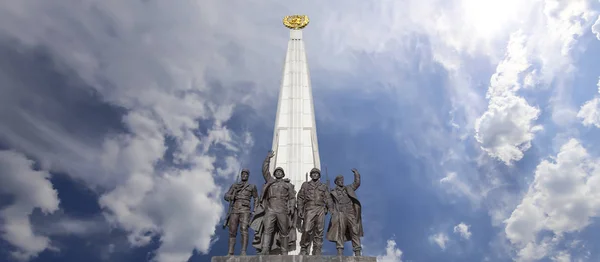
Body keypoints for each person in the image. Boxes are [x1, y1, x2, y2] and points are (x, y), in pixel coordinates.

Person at [250, 150, 297, 255]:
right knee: (267, 229)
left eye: (280, 172)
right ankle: (265, 249)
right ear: (275, 174)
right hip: (270, 208)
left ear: (283, 174)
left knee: (284, 231)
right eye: (277, 172)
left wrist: (291, 207)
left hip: (282, 208)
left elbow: (292, 197)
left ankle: (284, 251)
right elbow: (265, 170)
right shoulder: (270, 181)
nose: (278, 173)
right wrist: (267, 159)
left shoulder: (288, 185)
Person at [326, 168, 364, 256]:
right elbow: (329, 202)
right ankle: (340, 251)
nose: (341, 181)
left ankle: (357, 251)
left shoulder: (349, 188)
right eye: (339, 180)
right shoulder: (333, 192)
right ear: (336, 182)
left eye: (342, 180)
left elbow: (357, 183)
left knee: (354, 231)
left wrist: (356, 174)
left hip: (350, 212)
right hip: (340, 213)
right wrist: (331, 210)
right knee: (340, 232)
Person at [223, 168, 258, 255]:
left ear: (248, 176)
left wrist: (254, 210)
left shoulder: (252, 186)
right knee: (232, 231)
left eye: (246, 174)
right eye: (243, 174)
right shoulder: (235, 185)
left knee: (244, 229)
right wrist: (231, 197)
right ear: (241, 175)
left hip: (245, 209)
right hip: (235, 208)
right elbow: (226, 195)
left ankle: (243, 252)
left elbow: (256, 198)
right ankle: (230, 252)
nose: (244, 175)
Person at [297, 167, 332, 255]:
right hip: (310, 208)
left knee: (319, 231)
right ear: (311, 175)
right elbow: (300, 198)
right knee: (306, 229)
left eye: (316, 173)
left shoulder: (323, 186)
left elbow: (328, 198)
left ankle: (317, 250)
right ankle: (304, 248)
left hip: (320, 208)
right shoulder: (305, 185)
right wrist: (300, 209)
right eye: (313, 173)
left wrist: (330, 208)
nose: (315, 174)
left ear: (319, 175)